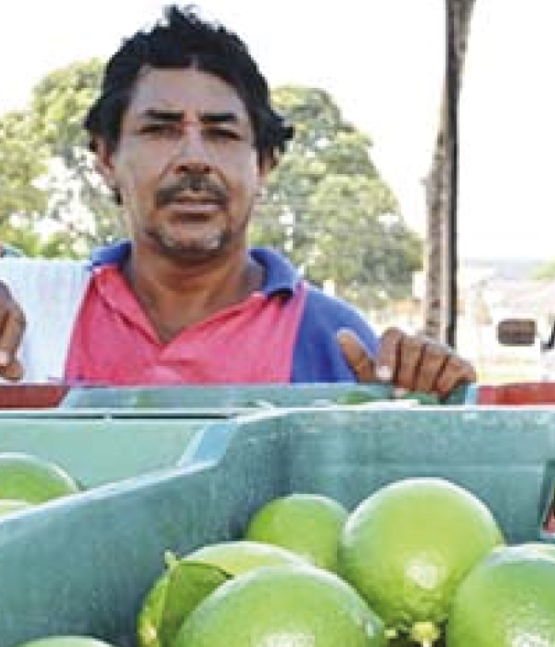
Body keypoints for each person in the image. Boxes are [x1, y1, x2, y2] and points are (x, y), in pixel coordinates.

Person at [0, 5, 474, 398]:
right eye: (160, 130)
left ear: (264, 163)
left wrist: (432, 404)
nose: (194, 160)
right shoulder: (34, 308)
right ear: (106, 157)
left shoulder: (334, 343)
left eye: (221, 134)